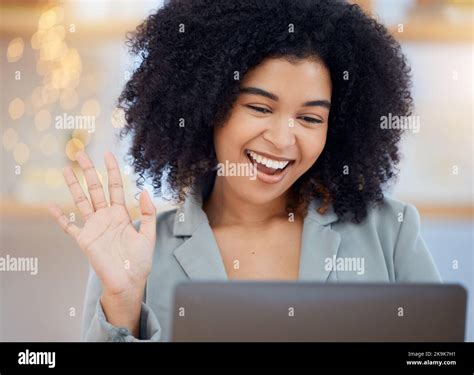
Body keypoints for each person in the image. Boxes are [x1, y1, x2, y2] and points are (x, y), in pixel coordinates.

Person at [48, 0, 441, 342]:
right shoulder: (138, 255)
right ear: (208, 105)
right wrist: (122, 304)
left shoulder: (389, 231)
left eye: (309, 117)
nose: (284, 140)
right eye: (260, 108)